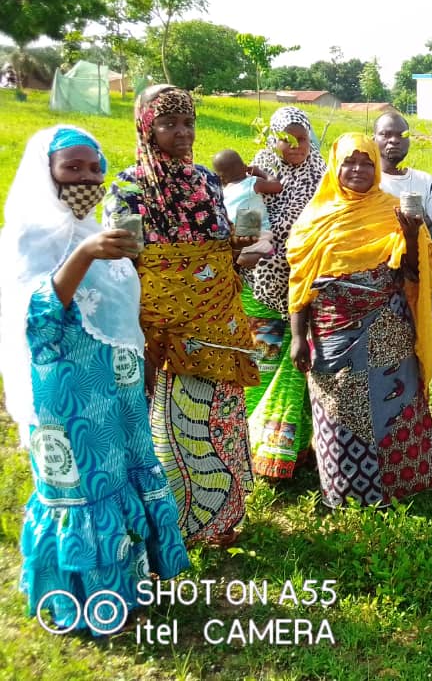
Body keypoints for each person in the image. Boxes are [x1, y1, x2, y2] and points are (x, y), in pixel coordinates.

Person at [0, 126, 190, 633]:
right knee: (80, 488)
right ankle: (84, 602)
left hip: (113, 384)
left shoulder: (93, 230)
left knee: (120, 475)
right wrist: (85, 258)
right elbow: (36, 316)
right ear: (47, 174)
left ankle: (128, 587)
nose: (86, 179)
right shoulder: (29, 235)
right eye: (72, 169)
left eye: (94, 169)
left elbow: (117, 310)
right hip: (65, 388)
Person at [106, 85, 259, 548]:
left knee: (223, 417)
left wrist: (239, 252)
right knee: (173, 423)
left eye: (188, 123)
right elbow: (121, 261)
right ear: (146, 127)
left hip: (218, 321)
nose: (181, 133)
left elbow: (217, 248)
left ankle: (224, 517)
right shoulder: (128, 187)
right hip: (161, 326)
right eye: (168, 123)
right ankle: (176, 522)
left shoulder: (207, 181)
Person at [286, 133, 432, 508]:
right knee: (339, 408)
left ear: (377, 168)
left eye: (366, 163)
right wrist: (297, 336)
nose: (357, 170)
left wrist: (410, 234)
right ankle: (345, 491)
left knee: (394, 404)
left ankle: (402, 486)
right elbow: (301, 282)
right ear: (335, 166)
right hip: (331, 331)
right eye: (349, 162)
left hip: (387, 330)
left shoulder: (393, 210)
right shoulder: (315, 217)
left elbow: (414, 273)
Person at [241, 106, 327, 480]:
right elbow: (242, 223)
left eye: (301, 139)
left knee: (300, 371)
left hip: (310, 293)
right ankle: (256, 449)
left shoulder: (325, 176)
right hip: (261, 288)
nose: (294, 147)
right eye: (286, 139)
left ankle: (293, 453)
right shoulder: (255, 172)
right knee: (262, 371)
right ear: (273, 138)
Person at [374, 111, 432, 223]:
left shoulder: (427, 182)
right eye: (385, 134)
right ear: (373, 139)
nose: (394, 140)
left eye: (402, 135)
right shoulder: (366, 182)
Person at [212, 148, 280, 261]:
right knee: (266, 249)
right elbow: (277, 186)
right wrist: (260, 172)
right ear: (245, 167)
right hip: (256, 233)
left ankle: (240, 255)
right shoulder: (253, 182)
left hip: (233, 236)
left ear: (220, 178)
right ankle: (255, 256)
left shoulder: (223, 193)